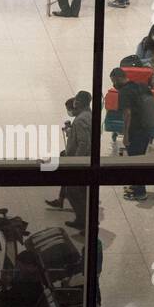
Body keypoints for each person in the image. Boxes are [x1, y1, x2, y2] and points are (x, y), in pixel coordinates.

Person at [47, 91, 92, 231]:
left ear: (78, 102)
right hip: (84, 158)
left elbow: (84, 143)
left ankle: (82, 220)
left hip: (79, 160)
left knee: (73, 191)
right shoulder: (89, 115)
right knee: (80, 191)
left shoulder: (80, 120)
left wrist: (75, 161)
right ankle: (82, 219)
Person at [116, 67, 154, 201]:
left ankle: (140, 192)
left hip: (135, 131)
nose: (113, 84)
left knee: (135, 162)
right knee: (139, 158)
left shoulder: (124, 92)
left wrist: (126, 134)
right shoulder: (141, 85)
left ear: (118, 78)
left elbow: (127, 113)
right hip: (148, 128)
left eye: (113, 80)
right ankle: (135, 186)